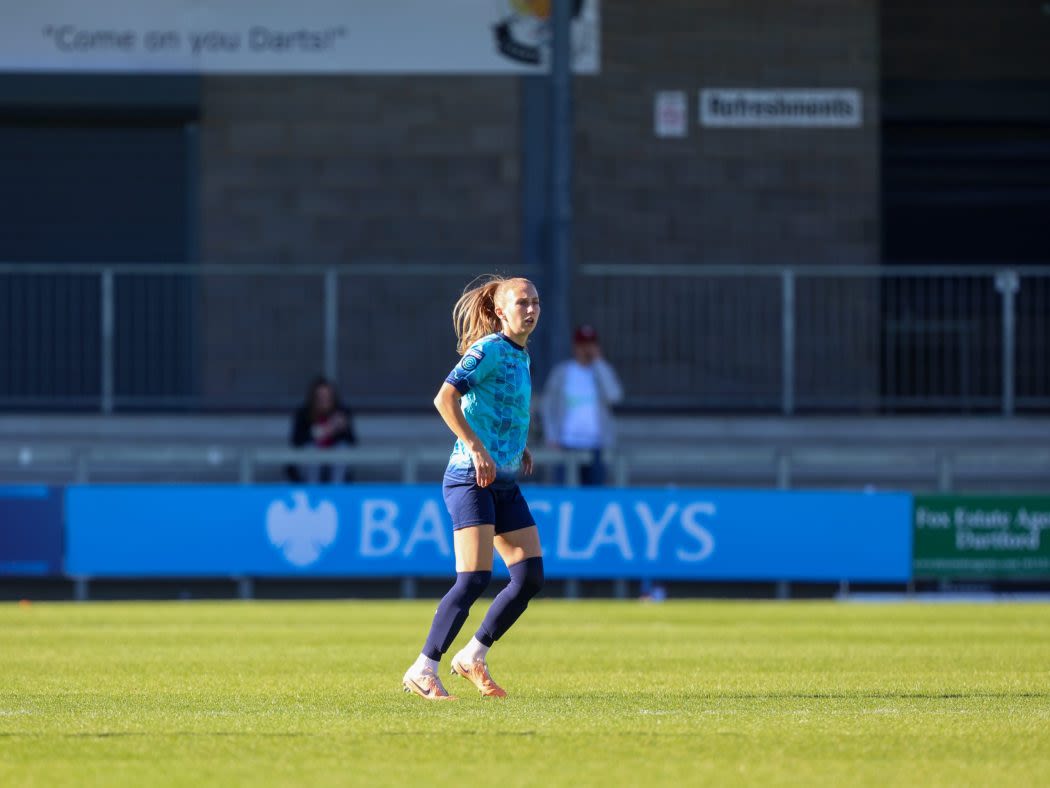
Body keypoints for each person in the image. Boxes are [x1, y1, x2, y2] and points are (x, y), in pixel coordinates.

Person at [401, 275, 544, 701]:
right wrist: (477, 448)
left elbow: (500, 407)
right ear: (501, 311)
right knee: (474, 578)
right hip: (470, 477)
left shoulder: (522, 356)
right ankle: (423, 668)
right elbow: (445, 398)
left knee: (529, 577)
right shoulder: (488, 351)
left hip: (504, 478)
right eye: (522, 302)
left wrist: (519, 447)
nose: (532, 309)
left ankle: (473, 656)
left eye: (536, 301)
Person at [541, 324, 624, 485]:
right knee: (564, 490)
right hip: (565, 443)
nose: (586, 349)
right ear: (575, 346)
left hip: (596, 445)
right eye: (582, 345)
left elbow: (614, 396)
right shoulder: (562, 372)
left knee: (595, 493)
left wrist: (599, 362)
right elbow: (548, 406)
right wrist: (551, 435)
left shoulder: (601, 371)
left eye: (590, 344)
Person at [285, 376, 356, 483]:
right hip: (308, 465)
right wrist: (320, 432)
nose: (324, 400)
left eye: (328, 396)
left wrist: (341, 429)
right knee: (311, 450)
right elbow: (296, 442)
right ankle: (313, 491)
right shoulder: (303, 414)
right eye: (320, 397)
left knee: (342, 449)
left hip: (333, 463)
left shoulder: (342, 413)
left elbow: (352, 443)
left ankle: (337, 491)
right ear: (314, 398)